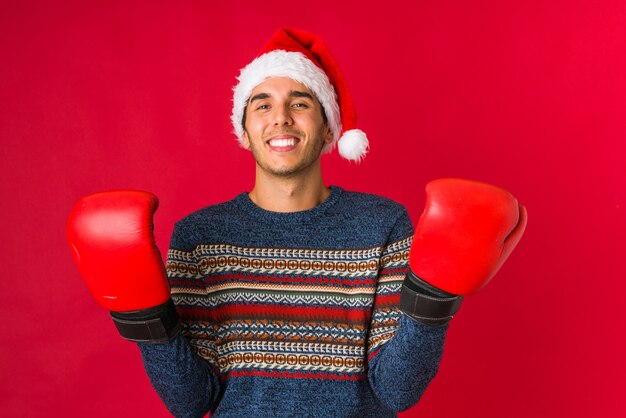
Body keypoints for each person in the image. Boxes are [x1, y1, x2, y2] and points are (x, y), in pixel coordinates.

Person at [67, 28, 527, 417]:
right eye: (262, 104)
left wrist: (434, 299)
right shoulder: (199, 237)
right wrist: (145, 319)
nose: (280, 118)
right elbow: (191, 401)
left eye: (300, 102)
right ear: (244, 131)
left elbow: (397, 392)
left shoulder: (383, 224)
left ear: (329, 127)